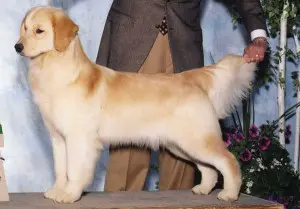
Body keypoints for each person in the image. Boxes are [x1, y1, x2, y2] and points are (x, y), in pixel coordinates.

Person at [96, 0, 268, 192]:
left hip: (183, 47)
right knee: (127, 152)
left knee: (186, 145)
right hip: (132, 40)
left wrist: (258, 36)